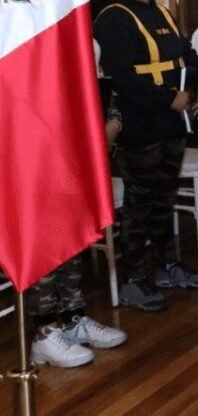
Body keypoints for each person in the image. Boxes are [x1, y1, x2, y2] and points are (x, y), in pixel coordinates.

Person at [91, 0, 198, 311]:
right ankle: (133, 279)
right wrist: (167, 98)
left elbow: (185, 54)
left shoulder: (161, 11)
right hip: (139, 125)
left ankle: (167, 266)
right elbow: (122, 77)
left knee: (164, 198)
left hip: (170, 124)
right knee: (139, 202)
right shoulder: (113, 17)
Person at [29, 101, 127, 367]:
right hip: (26, 155)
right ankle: (44, 332)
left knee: (69, 233)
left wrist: (112, 120)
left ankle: (73, 319)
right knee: (42, 238)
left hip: (57, 144)